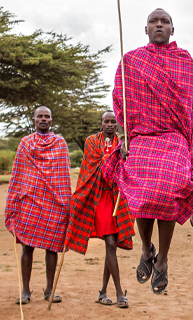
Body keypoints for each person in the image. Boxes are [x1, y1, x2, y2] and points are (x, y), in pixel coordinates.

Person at [102, 8, 193, 295]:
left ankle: (163, 258)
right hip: (142, 136)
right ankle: (147, 248)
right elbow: (119, 100)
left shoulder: (184, 61)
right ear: (145, 29)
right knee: (142, 196)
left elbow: (188, 109)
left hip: (173, 138)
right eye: (154, 21)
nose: (159, 25)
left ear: (173, 30)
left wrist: (189, 145)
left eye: (165, 22)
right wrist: (124, 136)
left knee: (167, 191)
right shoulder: (131, 60)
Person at [65, 110, 134, 308]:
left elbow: (128, 170)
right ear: (101, 124)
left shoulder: (124, 144)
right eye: (106, 121)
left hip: (117, 198)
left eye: (113, 122)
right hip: (98, 196)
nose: (110, 125)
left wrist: (124, 155)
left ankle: (103, 292)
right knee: (111, 242)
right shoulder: (91, 142)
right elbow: (93, 168)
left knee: (111, 245)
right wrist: (115, 158)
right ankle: (120, 293)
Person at [5, 106, 71, 304]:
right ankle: (25, 290)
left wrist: (65, 202)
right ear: (33, 120)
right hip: (30, 201)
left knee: (52, 247)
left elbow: (63, 176)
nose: (43, 119)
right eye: (40, 116)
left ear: (52, 120)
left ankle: (50, 289)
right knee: (27, 247)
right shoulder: (25, 143)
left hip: (54, 202)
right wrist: (15, 201)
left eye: (47, 116)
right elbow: (18, 175)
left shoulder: (60, 143)